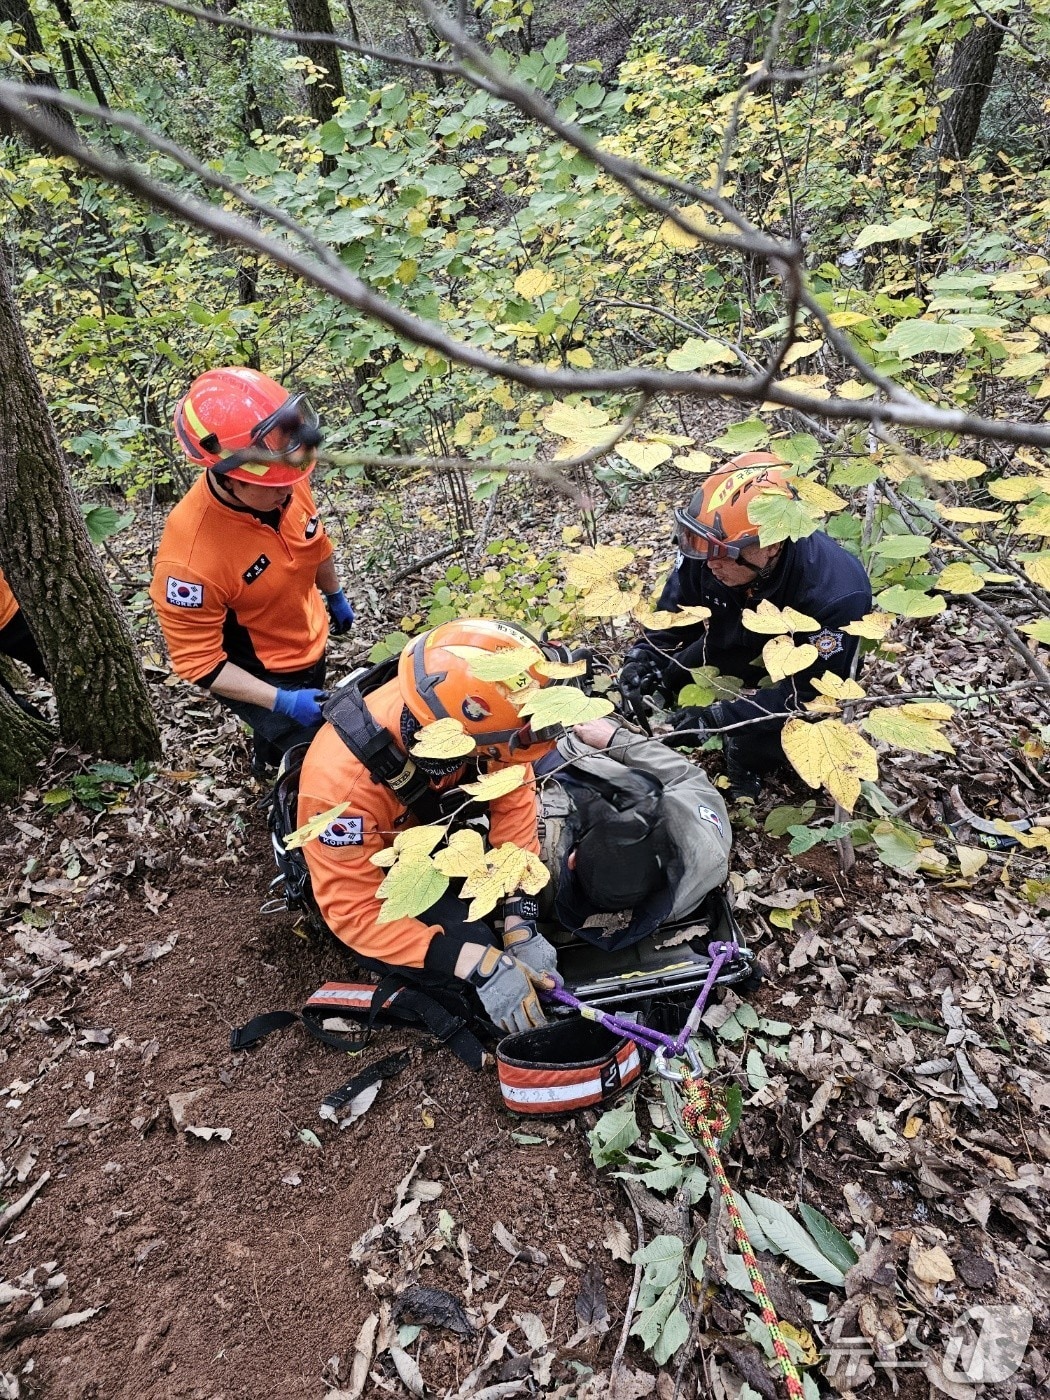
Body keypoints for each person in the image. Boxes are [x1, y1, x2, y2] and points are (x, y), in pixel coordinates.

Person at [296, 618, 572, 1036]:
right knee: (469, 963)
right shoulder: (338, 792)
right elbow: (354, 910)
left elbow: (513, 800)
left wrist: (520, 920)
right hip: (373, 867)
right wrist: (474, 964)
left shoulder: (480, 714)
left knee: (526, 911)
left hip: (435, 824)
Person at [618, 452, 872, 795]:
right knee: (672, 673)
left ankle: (749, 758)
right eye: (701, 549)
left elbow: (811, 693)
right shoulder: (711, 550)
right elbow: (676, 616)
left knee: (775, 729)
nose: (709, 565)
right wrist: (643, 660)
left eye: (720, 553)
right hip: (733, 636)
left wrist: (720, 720)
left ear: (770, 545)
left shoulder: (838, 591)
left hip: (795, 661)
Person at [150, 367, 355, 775]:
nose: (290, 490)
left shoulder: (282, 475)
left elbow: (315, 538)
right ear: (230, 479)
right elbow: (199, 664)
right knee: (325, 761)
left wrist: (333, 594)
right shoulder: (190, 560)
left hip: (305, 635)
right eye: (277, 486)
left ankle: (266, 754)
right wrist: (281, 702)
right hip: (257, 669)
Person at [534, 715, 731, 949]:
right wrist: (617, 739)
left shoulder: (534, 873)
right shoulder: (705, 848)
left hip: (544, 759)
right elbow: (689, 778)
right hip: (582, 751)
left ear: (572, 860)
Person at [0, 565, 49, 718]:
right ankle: (47, 739)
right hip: (9, 613)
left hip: (10, 614)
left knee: (51, 666)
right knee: (10, 707)